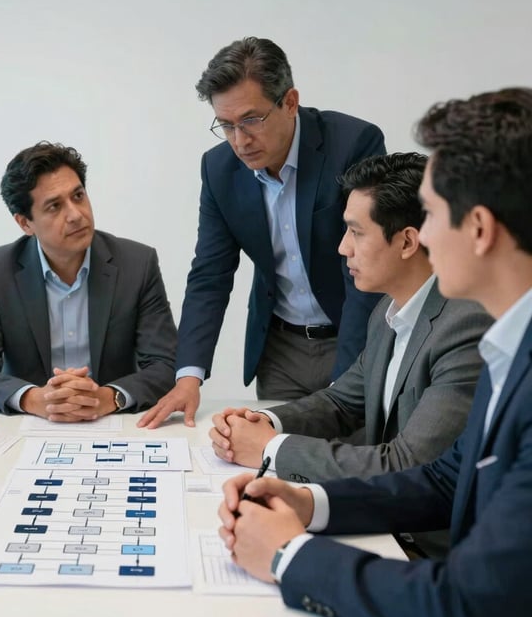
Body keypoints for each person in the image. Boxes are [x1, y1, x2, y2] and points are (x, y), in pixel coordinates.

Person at [217, 88, 532, 617]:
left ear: (480, 229)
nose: (425, 234)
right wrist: (308, 504)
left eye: (433, 214)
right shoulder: (507, 345)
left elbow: (465, 608)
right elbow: (445, 479)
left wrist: (287, 557)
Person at [140, 37, 386, 429]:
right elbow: (210, 275)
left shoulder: (352, 144)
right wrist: (189, 376)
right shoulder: (219, 169)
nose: (240, 141)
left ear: (290, 102)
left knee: (345, 462)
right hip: (280, 349)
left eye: (251, 120)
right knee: (272, 465)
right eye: (226, 125)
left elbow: (365, 265)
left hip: (352, 335)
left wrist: (347, 377)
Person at [210, 152, 491, 484]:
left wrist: (270, 448)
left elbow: (409, 462)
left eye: (356, 233)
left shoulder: (466, 326)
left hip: (426, 532)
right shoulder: (387, 312)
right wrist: (262, 422)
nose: (343, 248)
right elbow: (341, 402)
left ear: (407, 242)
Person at [0, 142, 177, 420]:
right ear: (25, 223)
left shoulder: (136, 264)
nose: (75, 215)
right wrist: (34, 398)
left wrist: (108, 397)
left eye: (78, 196)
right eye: (54, 206)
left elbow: (165, 364)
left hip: (113, 423)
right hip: (30, 426)